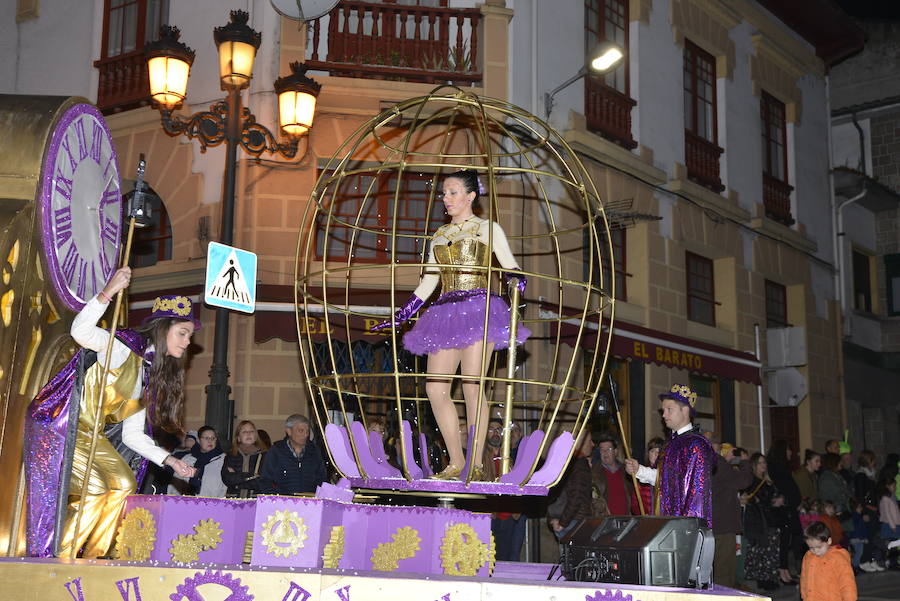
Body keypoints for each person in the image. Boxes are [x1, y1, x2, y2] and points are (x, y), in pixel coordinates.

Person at [24, 267, 199, 558]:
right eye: (183, 333)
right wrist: (108, 292)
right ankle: (60, 559)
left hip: (92, 433)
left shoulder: (147, 374)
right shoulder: (121, 347)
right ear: (163, 328)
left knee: (124, 484)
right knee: (94, 489)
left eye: (189, 335)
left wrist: (170, 461)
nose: (188, 341)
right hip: (61, 425)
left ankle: (93, 556)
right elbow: (80, 332)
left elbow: (132, 435)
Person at [371, 169, 531, 480]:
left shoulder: (488, 228)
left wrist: (516, 283)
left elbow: (511, 266)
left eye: (453, 191)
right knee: (435, 388)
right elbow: (429, 280)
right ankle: (456, 460)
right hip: (444, 312)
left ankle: (477, 460)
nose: (447, 198)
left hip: (479, 307)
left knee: (473, 385)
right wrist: (402, 314)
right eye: (444, 193)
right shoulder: (439, 236)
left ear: (471, 196)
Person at [625, 384, 715, 527]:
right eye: (663, 410)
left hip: (684, 527)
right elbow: (665, 480)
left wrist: (687, 528)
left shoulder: (696, 446)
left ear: (685, 410)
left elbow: (696, 493)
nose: (664, 415)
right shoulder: (671, 444)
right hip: (668, 523)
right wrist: (639, 470)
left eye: (669, 410)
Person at [549, 431, 608, 540]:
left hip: (566, 518)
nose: (592, 444)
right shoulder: (579, 464)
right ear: (580, 443)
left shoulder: (567, 461)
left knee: (567, 554)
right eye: (589, 441)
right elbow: (577, 495)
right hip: (574, 520)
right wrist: (563, 522)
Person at [710, 439, 753, 588]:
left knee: (721, 565)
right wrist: (745, 461)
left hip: (715, 522)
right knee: (725, 567)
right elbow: (743, 481)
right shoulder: (718, 463)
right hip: (723, 525)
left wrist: (725, 460)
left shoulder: (709, 463)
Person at [740, 453, 782, 590]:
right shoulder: (753, 481)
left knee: (771, 550)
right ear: (754, 465)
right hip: (760, 521)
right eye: (760, 463)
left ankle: (770, 577)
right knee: (763, 550)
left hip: (771, 520)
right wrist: (771, 501)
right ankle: (764, 579)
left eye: (764, 463)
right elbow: (756, 500)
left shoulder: (767, 480)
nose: (763, 466)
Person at [261, 414, 326, 495]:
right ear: (289, 431)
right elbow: (266, 480)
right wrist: (276, 499)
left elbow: (322, 479)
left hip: (309, 502)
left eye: (307, 431)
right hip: (283, 503)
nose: (305, 435)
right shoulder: (276, 451)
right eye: (301, 431)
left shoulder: (314, 451)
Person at [800, 521, 857, 601]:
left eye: (819, 547)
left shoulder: (837, 558)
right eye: (811, 548)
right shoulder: (808, 556)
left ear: (829, 541)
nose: (816, 551)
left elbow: (847, 583)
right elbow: (804, 579)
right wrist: (804, 597)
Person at [173, 426, 226, 497]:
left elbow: (225, 487)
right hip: (187, 503)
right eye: (206, 438)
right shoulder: (187, 459)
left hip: (213, 504)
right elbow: (176, 483)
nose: (210, 441)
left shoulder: (223, 460)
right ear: (198, 440)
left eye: (213, 438)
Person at [592, 434, 639, 515]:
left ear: (616, 452)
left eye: (609, 449)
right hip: (604, 521)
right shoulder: (593, 472)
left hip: (626, 519)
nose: (605, 452)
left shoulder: (626, 471)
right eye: (602, 450)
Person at [222, 420, 270, 498]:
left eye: (251, 431)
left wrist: (237, 483)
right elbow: (227, 478)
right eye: (244, 432)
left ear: (256, 436)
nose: (248, 434)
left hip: (256, 500)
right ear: (238, 438)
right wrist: (252, 476)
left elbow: (263, 481)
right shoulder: (231, 455)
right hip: (234, 500)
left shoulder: (265, 456)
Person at [638, 437, 665, 514]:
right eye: (652, 451)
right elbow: (635, 502)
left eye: (659, 451)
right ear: (648, 454)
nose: (656, 454)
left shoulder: (667, 474)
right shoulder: (641, 474)